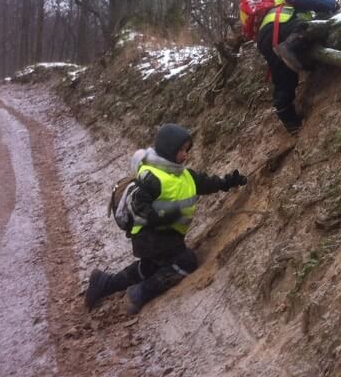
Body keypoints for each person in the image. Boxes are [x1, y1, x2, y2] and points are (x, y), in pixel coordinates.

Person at [85, 123, 247, 314]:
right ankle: (139, 294)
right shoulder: (152, 177)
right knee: (185, 261)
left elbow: (206, 183)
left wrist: (227, 182)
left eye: (187, 150)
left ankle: (105, 283)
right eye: (181, 150)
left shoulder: (184, 175)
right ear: (168, 150)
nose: (185, 155)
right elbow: (139, 207)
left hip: (167, 237)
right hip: (150, 237)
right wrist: (166, 215)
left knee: (151, 267)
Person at [258, 0, 338, 133]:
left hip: (268, 37)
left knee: (284, 78)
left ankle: (289, 120)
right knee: (314, 24)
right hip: (281, 27)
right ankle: (291, 46)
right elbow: (314, 0)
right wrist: (333, 4)